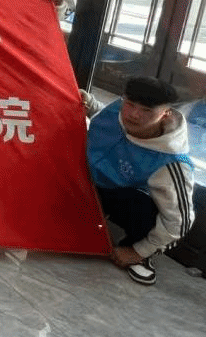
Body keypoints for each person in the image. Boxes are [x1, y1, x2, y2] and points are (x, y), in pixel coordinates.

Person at [82, 77, 193, 285]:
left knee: (145, 209)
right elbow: (102, 115)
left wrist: (138, 251)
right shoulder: (118, 110)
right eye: (130, 104)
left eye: (147, 111)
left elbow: (180, 222)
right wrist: (88, 102)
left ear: (165, 114)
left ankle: (138, 254)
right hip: (86, 178)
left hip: (120, 195)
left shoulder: (170, 162)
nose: (134, 114)